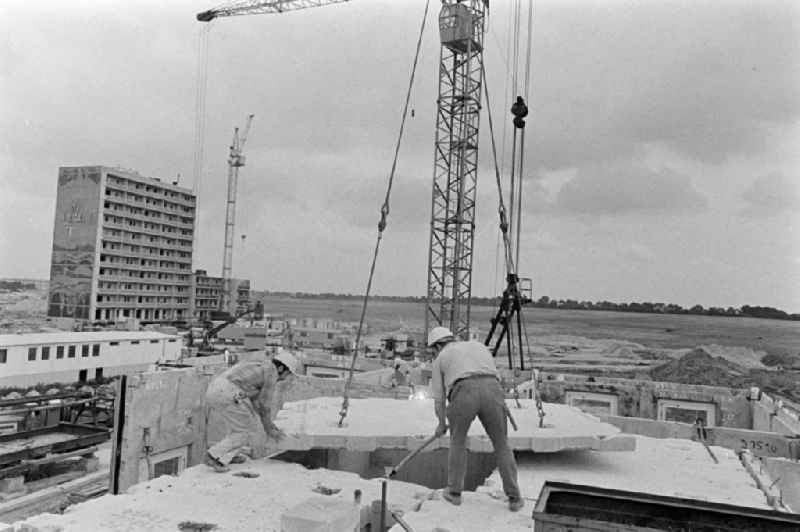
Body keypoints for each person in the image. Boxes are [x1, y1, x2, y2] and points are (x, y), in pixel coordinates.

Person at [428, 326, 524, 512]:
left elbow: (439, 400)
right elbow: (492, 373)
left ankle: (454, 493)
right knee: (502, 444)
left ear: (438, 346)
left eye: (432, 350)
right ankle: (515, 498)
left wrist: (441, 424)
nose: (432, 354)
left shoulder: (440, 358)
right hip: (493, 389)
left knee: (458, 443)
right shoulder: (478, 346)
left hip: (463, 391)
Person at [204, 351, 299, 472]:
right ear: (281, 368)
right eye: (287, 374)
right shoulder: (272, 372)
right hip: (228, 391)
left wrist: (269, 424)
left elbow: (257, 403)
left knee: (242, 425)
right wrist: (269, 430)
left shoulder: (261, 365)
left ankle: (226, 456)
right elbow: (264, 406)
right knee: (245, 431)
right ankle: (213, 456)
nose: (285, 378)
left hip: (217, 389)